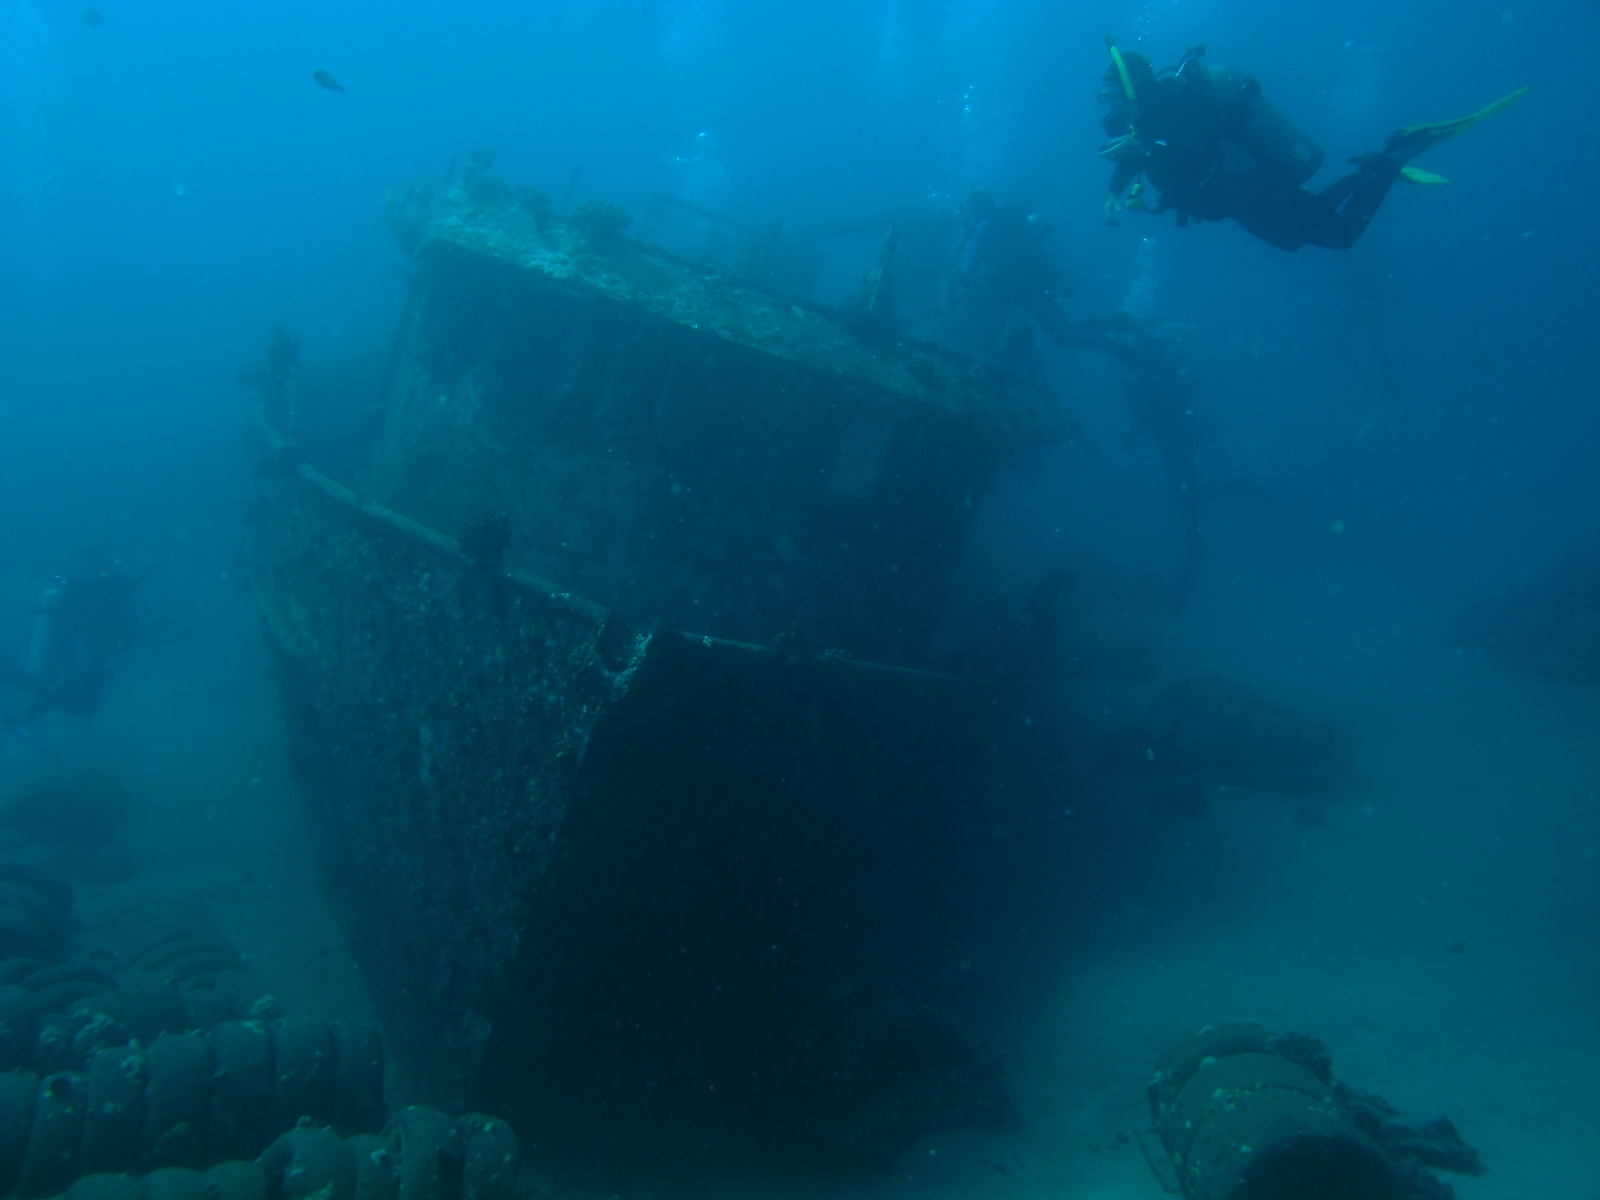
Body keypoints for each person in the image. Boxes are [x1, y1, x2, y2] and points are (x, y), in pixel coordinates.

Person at [1096, 41, 1527, 251]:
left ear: (1131, 88)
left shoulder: (1176, 105)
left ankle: (1397, 153)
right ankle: (1372, 171)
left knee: (1338, 235)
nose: (1110, 106)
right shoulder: (1147, 122)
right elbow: (1139, 153)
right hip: (1242, 200)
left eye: (1114, 94)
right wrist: (1115, 194)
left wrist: (1148, 151)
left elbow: (1197, 149)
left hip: (1251, 189)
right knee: (1305, 235)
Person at [2, 543, 151, 731]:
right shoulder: (97, 582)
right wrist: (137, 578)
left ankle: (21, 709)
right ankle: (21, 708)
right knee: (81, 700)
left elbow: (115, 611)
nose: (116, 563)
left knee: (81, 702)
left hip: (90, 645)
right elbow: (108, 604)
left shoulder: (97, 581)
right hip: (84, 645)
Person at [945, 187, 1079, 371]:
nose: (963, 215)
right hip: (1027, 284)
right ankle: (1116, 327)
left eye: (964, 208)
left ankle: (1117, 346)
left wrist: (958, 283)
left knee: (1063, 335)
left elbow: (971, 265)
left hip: (1027, 287)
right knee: (1064, 333)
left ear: (974, 208)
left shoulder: (984, 226)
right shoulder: (995, 222)